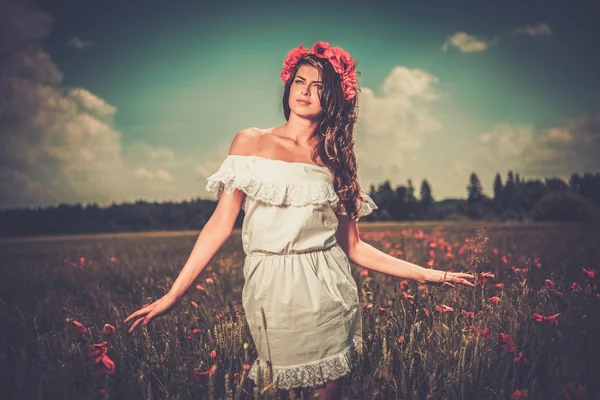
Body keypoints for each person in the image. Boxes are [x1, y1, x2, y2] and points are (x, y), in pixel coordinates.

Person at [124, 41, 475, 399]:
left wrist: (429, 274)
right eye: (299, 82)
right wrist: (173, 294)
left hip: (326, 288)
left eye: (319, 87)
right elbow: (220, 223)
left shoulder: (334, 161)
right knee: (277, 389)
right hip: (268, 286)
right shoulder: (250, 141)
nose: (306, 92)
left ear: (335, 98)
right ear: (288, 85)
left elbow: (353, 247)